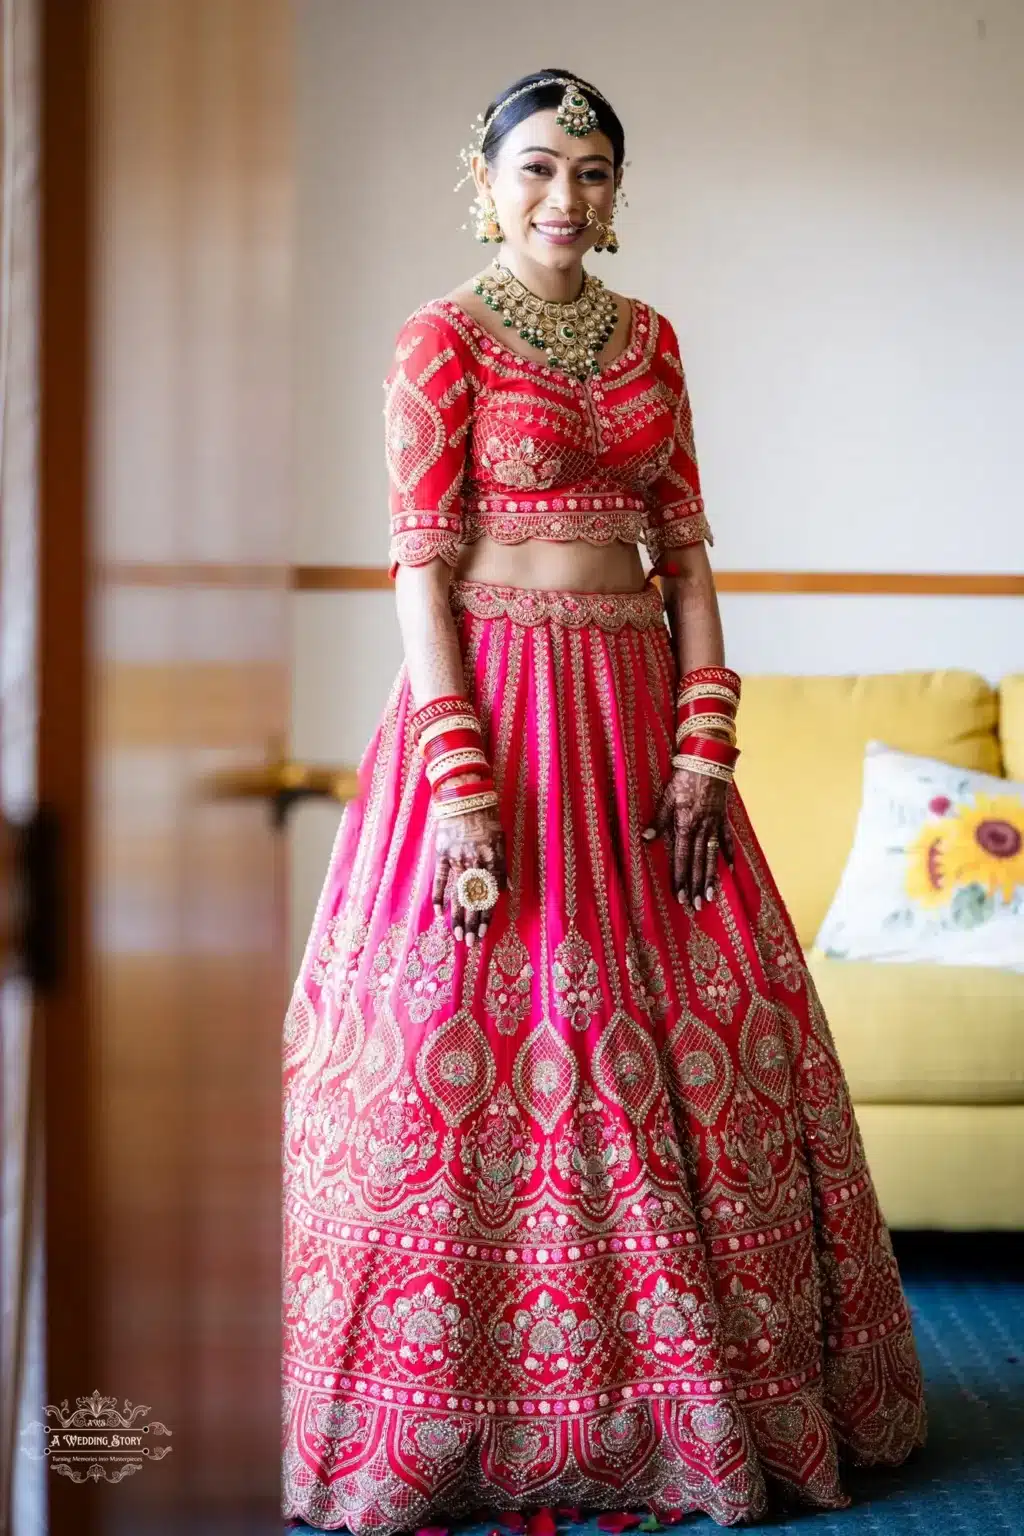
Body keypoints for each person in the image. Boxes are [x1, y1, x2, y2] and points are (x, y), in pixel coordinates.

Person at [282, 69, 926, 1533]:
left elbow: (689, 553)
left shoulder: (652, 344)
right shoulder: (437, 342)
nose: (563, 197)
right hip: (499, 716)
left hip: (637, 730)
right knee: (468, 1038)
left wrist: (707, 747)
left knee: (703, 1038)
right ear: (483, 176)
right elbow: (415, 569)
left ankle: (710, 1396)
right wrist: (458, 779)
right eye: (536, 169)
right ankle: (453, 1417)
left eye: (590, 173)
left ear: (617, 195)